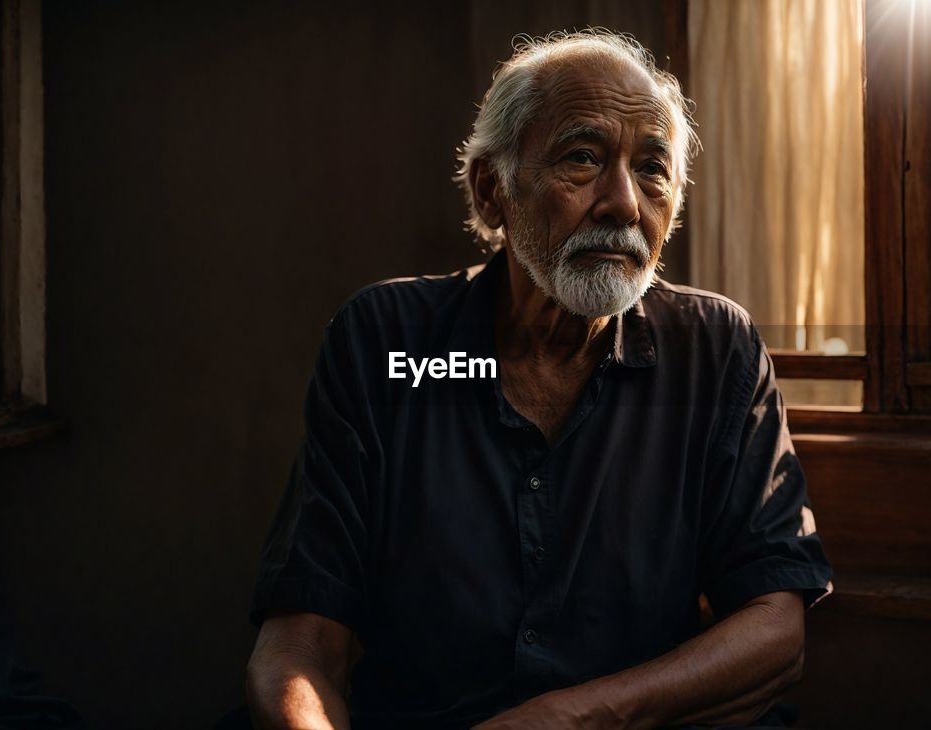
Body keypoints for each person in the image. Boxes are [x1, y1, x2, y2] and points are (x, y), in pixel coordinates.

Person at [244, 29, 833, 730]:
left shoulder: (716, 350)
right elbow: (299, 642)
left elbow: (776, 626)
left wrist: (579, 718)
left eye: (652, 168)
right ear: (493, 192)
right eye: (582, 158)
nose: (623, 203)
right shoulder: (387, 343)